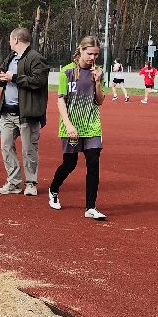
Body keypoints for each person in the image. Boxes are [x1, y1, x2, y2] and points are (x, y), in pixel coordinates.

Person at [48, 35, 108, 220]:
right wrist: (68, 124)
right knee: (70, 163)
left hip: (91, 125)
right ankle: (53, 189)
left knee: (93, 163)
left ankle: (91, 207)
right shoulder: (67, 72)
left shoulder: (97, 72)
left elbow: (100, 101)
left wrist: (98, 81)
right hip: (72, 125)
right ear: (81, 50)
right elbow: (60, 100)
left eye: (96, 55)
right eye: (90, 53)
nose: (92, 58)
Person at [0, 27, 51, 197]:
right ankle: (13, 182)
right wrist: (1, 77)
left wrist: (15, 77)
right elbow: (4, 74)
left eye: (10, 39)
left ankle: (31, 183)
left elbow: (39, 81)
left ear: (16, 39)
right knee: (6, 147)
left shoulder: (36, 58)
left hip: (27, 113)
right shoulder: (11, 57)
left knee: (29, 149)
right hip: (7, 112)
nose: (9, 43)